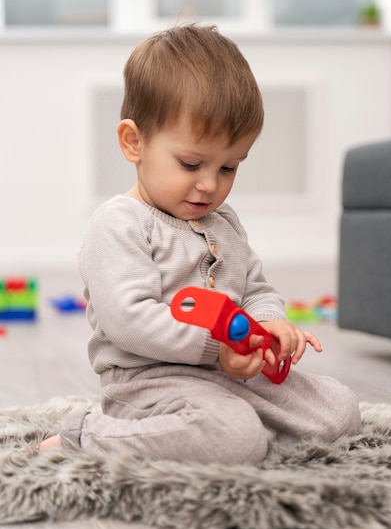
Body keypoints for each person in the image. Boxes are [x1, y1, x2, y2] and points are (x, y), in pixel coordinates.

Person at [40, 24, 361, 462]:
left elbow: (256, 290)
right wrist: (219, 346)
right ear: (134, 142)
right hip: (150, 382)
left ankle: (221, 426)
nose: (210, 185)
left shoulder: (223, 222)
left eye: (229, 167)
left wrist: (268, 325)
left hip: (230, 373)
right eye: (191, 163)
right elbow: (129, 320)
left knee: (338, 410)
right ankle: (89, 436)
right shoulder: (119, 224)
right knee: (234, 438)